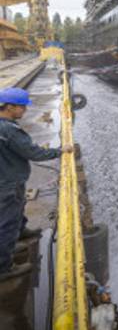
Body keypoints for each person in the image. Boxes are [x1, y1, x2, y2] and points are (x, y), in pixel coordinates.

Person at [0, 87, 72, 274]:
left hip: (6, 176)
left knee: (16, 210)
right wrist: (59, 151)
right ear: (9, 107)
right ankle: (4, 267)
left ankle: (18, 235)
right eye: (22, 107)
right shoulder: (10, 130)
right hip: (8, 182)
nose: (25, 110)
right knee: (7, 221)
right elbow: (33, 152)